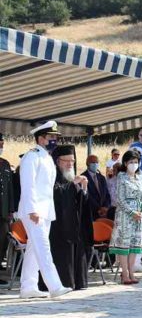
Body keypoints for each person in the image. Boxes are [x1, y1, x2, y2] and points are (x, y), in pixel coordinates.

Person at [18, 121, 72, 299]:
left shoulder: (47, 157)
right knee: (43, 248)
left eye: (55, 137)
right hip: (34, 211)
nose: (54, 140)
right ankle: (55, 286)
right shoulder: (31, 157)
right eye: (51, 137)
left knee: (34, 250)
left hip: (45, 211)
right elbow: (28, 185)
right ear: (41, 139)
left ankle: (28, 286)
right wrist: (32, 209)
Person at [39, 145, 93, 291]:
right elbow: (55, 194)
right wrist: (72, 184)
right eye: (67, 161)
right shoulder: (52, 175)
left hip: (73, 223)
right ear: (58, 161)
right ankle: (61, 283)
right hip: (58, 224)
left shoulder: (71, 175)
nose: (70, 164)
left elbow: (80, 200)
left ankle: (77, 281)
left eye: (72, 161)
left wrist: (84, 188)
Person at [109, 150, 142, 285]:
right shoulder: (122, 177)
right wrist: (132, 212)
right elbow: (120, 199)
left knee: (134, 244)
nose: (133, 164)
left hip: (138, 216)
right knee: (124, 245)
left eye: (136, 162)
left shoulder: (140, 178)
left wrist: (141, 211)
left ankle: (131, 272)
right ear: (125, 163)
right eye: (131, 162)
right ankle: (124, 273)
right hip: (125, 216)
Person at [0, 133, 15, 277]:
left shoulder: (5, 164)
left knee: (3, 240)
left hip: (3, 212)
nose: (1, 147)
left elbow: (9, 188)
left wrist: (11, 209)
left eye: (2, 145)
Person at [82, 155, 111, 221]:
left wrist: (106, 207)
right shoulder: (83, 178)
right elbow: (86, 196)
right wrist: (99, 209)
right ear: (87, 163)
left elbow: (107, 195)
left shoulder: (102, 178)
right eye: (93, 162)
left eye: (97, 162)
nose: (95, 164)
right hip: (90, 215)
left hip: (104, 214)